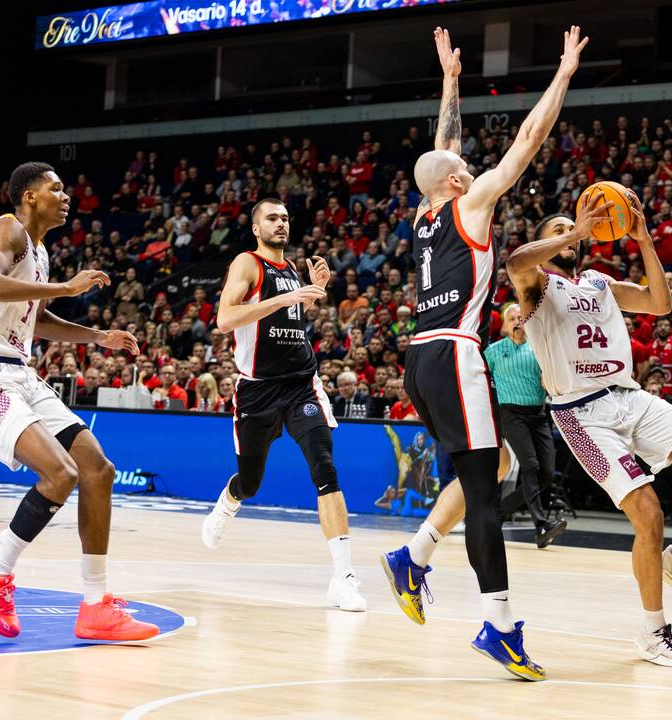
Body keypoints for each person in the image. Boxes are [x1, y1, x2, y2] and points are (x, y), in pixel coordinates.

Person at [380, 27, 589, 682]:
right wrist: (563, 74)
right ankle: (498, 627)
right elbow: (527, 141)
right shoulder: (469, 202)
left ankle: (413, 559)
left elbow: (440, 151)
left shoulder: (423, 215)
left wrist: (450, 80)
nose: (470, 166)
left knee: (492, 462)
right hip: (455, 354)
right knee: (485, 491)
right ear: (459, 180)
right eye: (464, 168)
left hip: (420, 359)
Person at [508, 190, 672, 669]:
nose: (570, 233)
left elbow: (660, 303)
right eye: (560, 229)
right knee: (647, 512)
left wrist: (645, 239)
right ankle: (653, 633)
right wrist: (578, 229)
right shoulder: (537, 284)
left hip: (628, 394)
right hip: (581, 412)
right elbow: (516, 259)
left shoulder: (598, 282)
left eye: (574, 229)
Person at [0, 162, 158, 641]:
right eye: (56, 188)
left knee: (96, 468)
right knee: (60, 473)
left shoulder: (41, 253)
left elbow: (35, 321)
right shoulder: (7, 230)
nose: (65, 196)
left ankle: (94, 606)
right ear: (28, 196)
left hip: (19, 371)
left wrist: (98, 337)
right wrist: (68, 288)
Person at [200, 197, 365, 612]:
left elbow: (287, 320)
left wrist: (315, 294)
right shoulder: (248, 264)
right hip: (257, 390)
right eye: (272, 218)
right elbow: (225, 319)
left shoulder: (292, 269)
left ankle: (344, 577)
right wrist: (282, 300)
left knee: (324, 465)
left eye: (286, 218)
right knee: (251, 482)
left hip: (300, 385)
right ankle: (231, 499)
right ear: (256, 228)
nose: (281, 224)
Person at [483, 303, 566, 548]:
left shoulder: (540, 349)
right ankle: (541, 525)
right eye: (512, 319)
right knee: (530, 465)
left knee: (547, 474)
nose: (518, 321)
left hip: (539, 414)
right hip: (510, 413)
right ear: (505, 326)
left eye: (522, 317)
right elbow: (477, 378)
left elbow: (550, 380)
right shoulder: (494, 351)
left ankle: (497, 514)